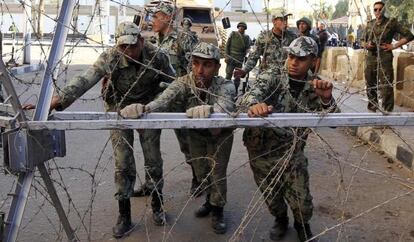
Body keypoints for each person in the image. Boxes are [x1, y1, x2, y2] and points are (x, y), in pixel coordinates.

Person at [24, 22, 175, 238]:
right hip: (118, 107)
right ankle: (124, 215)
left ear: (141, 41)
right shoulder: (111, 57)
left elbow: (174, 85)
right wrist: (57, 100)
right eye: (123, 47)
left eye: (132, 46)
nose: (128, 52)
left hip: (146, 108)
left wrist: (155, 106)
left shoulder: (157, 56)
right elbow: (86, 79)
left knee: (153, 158)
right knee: (123, 162)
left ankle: (157, 204)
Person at [120, 42, 235, 234]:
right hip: (196, 135)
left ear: (217, 67)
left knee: (217, 172)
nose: (200, 70)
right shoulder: (183, 82)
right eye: (196, 63)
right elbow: (164, 99)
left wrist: (213, 111)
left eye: (207, 65)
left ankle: (218, 210)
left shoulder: (225, 84)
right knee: (201, 171)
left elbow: (226, 105)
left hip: (219, 135)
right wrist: (144, 109)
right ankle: (209, 200)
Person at [241, 36, 339, 242]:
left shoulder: (316, 85)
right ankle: (281, 219)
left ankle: (302, 224)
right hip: (261, 150)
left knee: (302, 202)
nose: (293, 62)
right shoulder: (273, 75)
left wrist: (326, 99)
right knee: (272, 197)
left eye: (300, 59)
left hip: (292, 153)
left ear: (313, 60)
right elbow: (250, 94)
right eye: (291, 56)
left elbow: (335, 121)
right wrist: (253, 105)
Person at [134, 2, 201, 198]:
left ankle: (199, 178)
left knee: (187, 143)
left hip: (180, 100)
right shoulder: (156, 41)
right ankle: (151, 183)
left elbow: (195, 70)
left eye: (155, 17)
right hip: (159, 100)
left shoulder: (184, 38)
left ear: (167, 18)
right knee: (149, 142)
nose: (151, 21)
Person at [363, 1, 414, 112]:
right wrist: (367, 45)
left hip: (384, 57)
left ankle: (387, 113)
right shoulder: (370, 24)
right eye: (375, 9)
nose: (378, 11)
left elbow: (409, 35)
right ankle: (372, 110)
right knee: (370, 84)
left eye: (380, 9)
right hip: (371, 58)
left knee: (386, 86)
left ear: (384, 10)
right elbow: (362, 40)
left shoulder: (391, 23)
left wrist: (394, 45)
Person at [234, 9, 297, 84]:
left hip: (286, 79)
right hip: (267, 79)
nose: (285, 23)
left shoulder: (292, 37)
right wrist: (245, 70)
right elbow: (253, 56)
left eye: (286, 20)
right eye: (282, 20)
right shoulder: (263, 37)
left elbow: (298, 57)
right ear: (274, 21)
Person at [225, 21, 251, 96]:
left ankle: (235, 90)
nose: (241, 28)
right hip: (231, 59)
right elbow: (227, 45)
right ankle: (226, 90)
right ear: (238, 27)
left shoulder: (247, 37)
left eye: (243, 27)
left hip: (239, 60)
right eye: (240, 26)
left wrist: (248, 53)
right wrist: (227, 56)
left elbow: (248, 48)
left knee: (237, 77)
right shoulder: (233, 34)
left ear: (245, 28)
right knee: (228, 75)